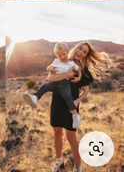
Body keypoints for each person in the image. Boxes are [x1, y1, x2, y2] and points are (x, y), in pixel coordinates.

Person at [48, 41, 113, 172]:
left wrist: (77, 101)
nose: (80, 53)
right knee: (57, 132)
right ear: (76, 48)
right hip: (57, 101)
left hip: (71, 106)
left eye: (84, 52)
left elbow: (86, 90)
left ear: (86, 55)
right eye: (80, 49)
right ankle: (59, 160)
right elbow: (50, 77)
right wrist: (65, 75)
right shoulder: (63, 59)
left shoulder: (83, 70)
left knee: (71, 137)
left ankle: (77, 168)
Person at [23, 42, 81, 128]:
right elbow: (49, 67)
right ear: (57, 56)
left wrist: (79, 77)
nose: (62, 57)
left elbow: (79, 69)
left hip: (65, 84)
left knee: (68, 97)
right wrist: (50, 69)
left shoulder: (71, 63)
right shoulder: (56, 61)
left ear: (67, 52)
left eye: (64, 54)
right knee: (44, 86)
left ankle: (75, 115)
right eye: (59, 56)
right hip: (55, 83)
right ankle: (35, 98)